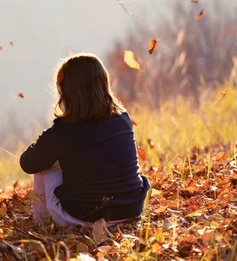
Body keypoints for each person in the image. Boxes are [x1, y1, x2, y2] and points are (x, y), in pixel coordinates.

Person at [19, 53, 150, 226]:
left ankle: (40, 223)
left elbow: (28, 163)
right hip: (131, 211)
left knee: (44, 166)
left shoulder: (63, 131)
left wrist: (50, 139)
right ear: (104, 84)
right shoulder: (123, 118)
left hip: (86, 218)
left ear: (66, 92)